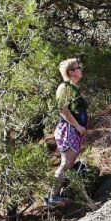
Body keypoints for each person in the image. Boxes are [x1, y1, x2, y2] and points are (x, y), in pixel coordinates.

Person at [48, 58, 88, 206]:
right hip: (68, 129)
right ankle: (53, 197)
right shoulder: (64, 88)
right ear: (71, 72)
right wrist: (77, 126)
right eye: (78, 67)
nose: (80, 69)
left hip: (74, 129)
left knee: (69, 163)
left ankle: (62, 192)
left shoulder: (72, 87)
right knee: (66, 164)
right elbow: (63, 110)